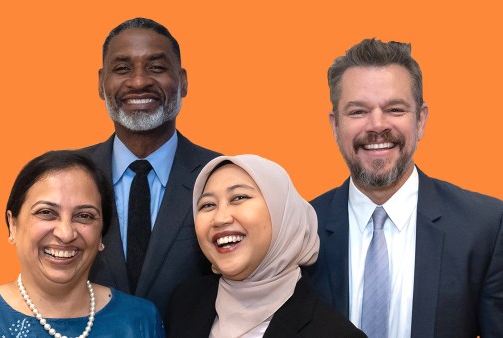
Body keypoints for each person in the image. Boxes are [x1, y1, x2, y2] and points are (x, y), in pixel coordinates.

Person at [309, 38, 503, 338]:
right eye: (358, 112)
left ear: (421, 120)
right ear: (335, 126)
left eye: (395, 109)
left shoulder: (486, 227)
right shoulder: (302, 228)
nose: (377, 125)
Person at [0, 150, 165, 337]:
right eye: (46, 212)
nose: (66, 233)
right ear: (13, 224)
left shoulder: (140, 320)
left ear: (102, 236)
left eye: (84, 216)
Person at [83, 17, 220, 315]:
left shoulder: (221, 175)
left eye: (156, 67)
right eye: (122, 69)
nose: (139, 81)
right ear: (100, 83)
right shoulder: (70, 175)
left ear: (182, 81)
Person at [165, 155, 367, 338]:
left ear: (282, 215)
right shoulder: (184, 304)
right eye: (207, 205)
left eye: (238, 198)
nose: (220, 218)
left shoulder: (335, 334)